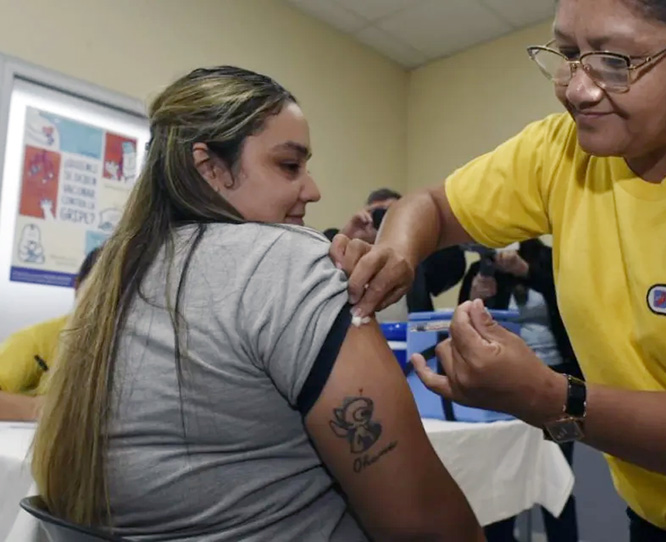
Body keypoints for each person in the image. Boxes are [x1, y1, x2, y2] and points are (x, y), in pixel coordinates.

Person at [330, 1, 666, 540]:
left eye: (616, 60)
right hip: (653, 512)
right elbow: (431, 207)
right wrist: (395, 252)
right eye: (570, 54)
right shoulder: (559, 152)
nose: (577, 89)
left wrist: (553, 399)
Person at [31, 66, 484, 542]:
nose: (313, 190)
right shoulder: (294, 265)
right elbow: (427, 525)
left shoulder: (110, 283)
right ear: (210, 168)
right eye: (289, 165)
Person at [461, 240, 580, 542]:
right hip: (504, 386)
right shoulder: (482, 268)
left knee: (559, 473)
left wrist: (528, 272)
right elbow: (464, 325)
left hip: (561, 383)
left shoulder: (552, 259)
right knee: (503, 472)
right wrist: (476, 297)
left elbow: (574, 304)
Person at [0, 247, 101, 421]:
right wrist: (39, 409)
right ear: (77, 286)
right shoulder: (36, 340)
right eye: (102, 289)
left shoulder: (146, 349)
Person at [341, 188, 466, 320]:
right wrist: (348, 235)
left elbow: (454, 265)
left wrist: (410, 234)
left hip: (411, 335)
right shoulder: (345, 241)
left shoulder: (415, 260)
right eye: (377, 213)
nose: (384, 220)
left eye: (392, 214)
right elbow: (323, 273)